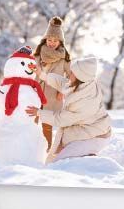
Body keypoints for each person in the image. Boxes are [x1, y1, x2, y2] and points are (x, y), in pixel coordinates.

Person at [26, 56, 112, 162]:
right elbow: (62, 83)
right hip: (86, 129)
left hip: (96, 135)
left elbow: (61, 119)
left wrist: (39, 113)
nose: (68, 74)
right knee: (59, 156)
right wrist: (42, 74)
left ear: (80, 76)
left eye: (71, 73)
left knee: (61, 161)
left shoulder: (85, 102)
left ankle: (90, 160)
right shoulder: (83, 83)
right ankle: (83, 155)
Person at [33, 17, 72, 149]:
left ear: (60, 42)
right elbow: (29, 71)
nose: (52, 43)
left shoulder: (64, 57)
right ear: (45, 40)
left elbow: (71, 76)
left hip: (52, 96)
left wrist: (62, 91)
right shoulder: (37, 55)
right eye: (49, 40)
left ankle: (47, 151)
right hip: (35, 94)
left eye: (55, 40)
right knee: (32, 122)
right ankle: (31, 151)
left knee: (47, 125)